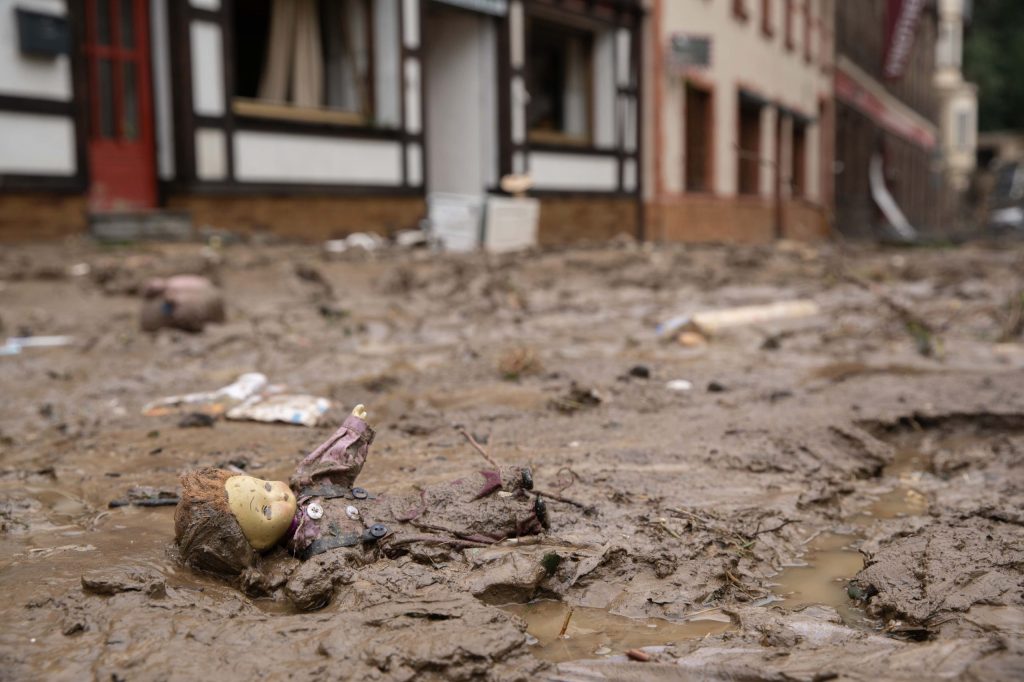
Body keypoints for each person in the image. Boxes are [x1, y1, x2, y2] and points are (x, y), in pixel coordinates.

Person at [174, 405, 547, 609]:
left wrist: (351, 429)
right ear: (254, 545)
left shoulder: (306, 487)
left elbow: (331, 463)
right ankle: (525, 514)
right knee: (458, 525)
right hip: (399, 535)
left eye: (266, 486)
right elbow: (317, 580)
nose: (277, 494)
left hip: (394, 506)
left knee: (446, 492)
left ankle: (510, 478)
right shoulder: (310, 548)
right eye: (266, 510)